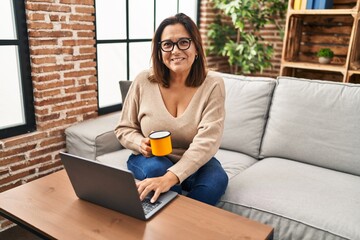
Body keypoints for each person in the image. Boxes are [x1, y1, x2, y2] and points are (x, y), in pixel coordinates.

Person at [114, 13, 228, 206]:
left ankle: (184, 225)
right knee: (158, 171)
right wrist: (139, 142)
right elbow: (123, 128)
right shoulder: (143, 80)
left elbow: (208, 141)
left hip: (192, 157)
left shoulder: (213, 84)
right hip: (151, 158)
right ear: (159, 51)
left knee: (216, 181)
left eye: (183, 42)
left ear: (196, 48)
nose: (175, 50)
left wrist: (172, 177)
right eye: (167, 44)